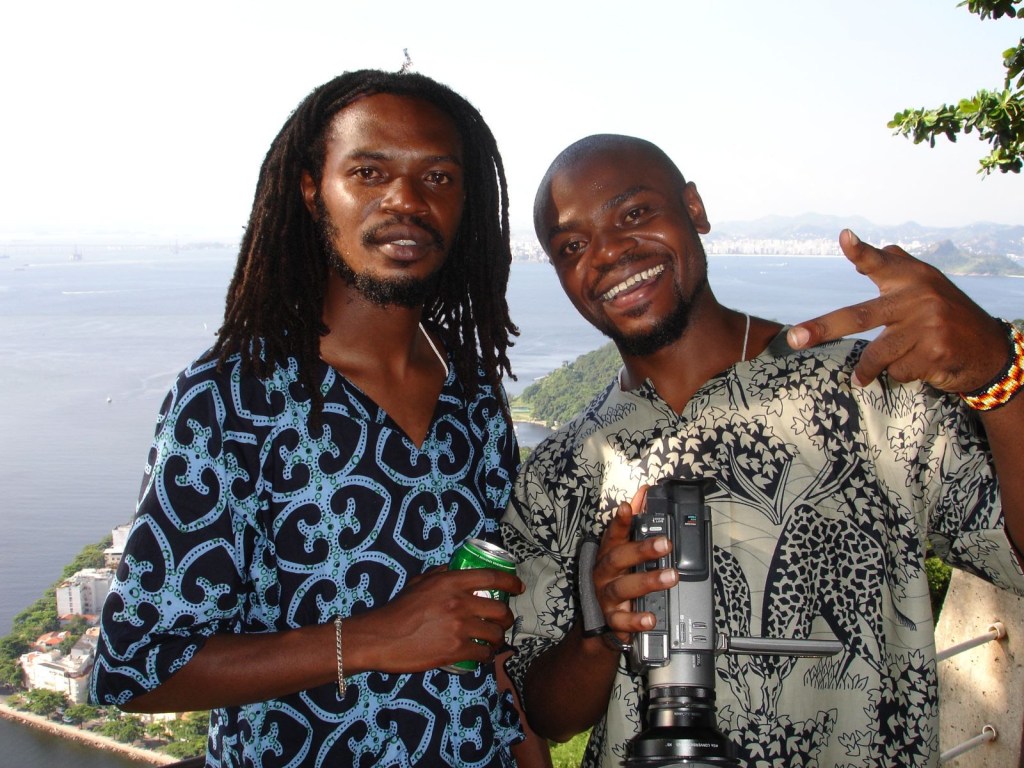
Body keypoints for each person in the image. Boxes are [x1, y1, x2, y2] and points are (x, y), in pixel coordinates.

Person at [501, 133, 1024, 767]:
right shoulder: (559, 472)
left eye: (635, 213)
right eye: (572, 247)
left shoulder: (871, 391)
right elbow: (546, 715)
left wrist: (999, 373)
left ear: (695, 209)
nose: (608, 252)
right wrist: (599, 634)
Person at [92, 69, 552, 768]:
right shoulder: (231, 401)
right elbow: (134, 667)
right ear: (312, 191)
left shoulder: (472, 393)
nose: (407, 199)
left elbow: (485, 634)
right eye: (369, 172)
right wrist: (372, 639)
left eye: (438, 177)